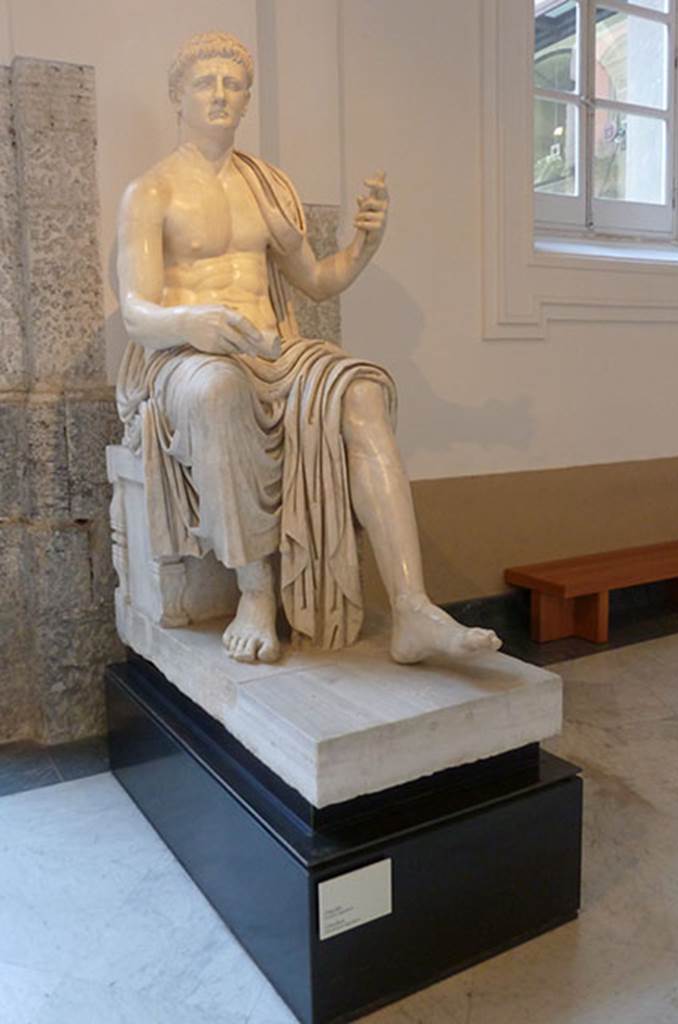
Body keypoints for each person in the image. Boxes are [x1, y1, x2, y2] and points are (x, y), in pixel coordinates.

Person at [116, 31, 501, 665]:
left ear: (247, 100)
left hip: (273, 352)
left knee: (362, 389)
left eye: (233, 85)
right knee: (219, 390)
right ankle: (255, 592)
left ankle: (412, 607)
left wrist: (363, 246)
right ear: (177, 97)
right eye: (205, 83)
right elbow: (137, 313)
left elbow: (317, 281)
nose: (220, 95)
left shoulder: (265, 187)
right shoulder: (151, 192)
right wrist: (191, 322)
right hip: (185, 357)